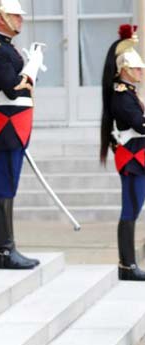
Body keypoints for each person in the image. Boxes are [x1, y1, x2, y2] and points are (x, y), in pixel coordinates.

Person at [0, 0, 46, 269]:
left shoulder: (5, 47)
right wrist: (32, 69)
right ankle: (3, 249)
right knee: (3, 187)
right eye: (15, 15)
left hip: (15, 127)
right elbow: (14, 88)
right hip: (6, 127)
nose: (21, 19)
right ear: (0, 17)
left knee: (9, 187)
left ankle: (8, 245)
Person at [100, 25, 145, 281]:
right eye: (137, 68)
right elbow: (140, 125)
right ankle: (127, 265)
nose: (140, 72)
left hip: (138, 157)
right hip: (131, 159)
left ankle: (128, 263)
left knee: (134, 208)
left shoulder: (128, 93)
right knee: (130, 209)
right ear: (125, 70)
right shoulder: (121, 96)